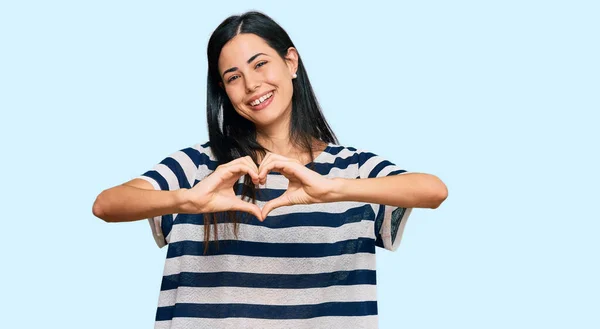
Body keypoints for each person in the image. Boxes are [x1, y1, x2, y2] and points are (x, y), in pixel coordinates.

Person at [92, 11, 447, 329]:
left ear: (291, 61)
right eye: (233, 77)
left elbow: (433, 191)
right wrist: (187, 200)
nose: (251, 85)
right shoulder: (201, 167)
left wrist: (334, 189)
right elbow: (107, 204)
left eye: (260, 64)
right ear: (224, 91)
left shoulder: (350, 168)